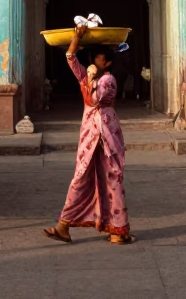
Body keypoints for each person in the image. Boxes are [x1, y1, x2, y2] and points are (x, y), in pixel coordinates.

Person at [44, 21, 134, 244]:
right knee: (80, 178)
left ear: (109, 62)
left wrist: (90, 78)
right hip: (89, 136)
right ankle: (64, 226)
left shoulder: (108, 80)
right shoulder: (88, 77)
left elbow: (94, 99)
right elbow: (70, 58)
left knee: (112, 178)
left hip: (106, 136)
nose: (95, 61)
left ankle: (118, 231)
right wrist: (77, 36)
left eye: (99, 58)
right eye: (94, 58)